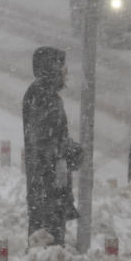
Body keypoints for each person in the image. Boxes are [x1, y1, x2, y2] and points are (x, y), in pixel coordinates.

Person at [22, 46, 83, 247]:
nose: (66, 71)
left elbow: (49, 138)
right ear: (52, 68)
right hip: (47, 186)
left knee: (46, 238)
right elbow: (43, 142)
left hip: (48, 185)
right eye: (62, 66)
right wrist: (69, 151)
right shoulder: (44, 98)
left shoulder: (43, 95)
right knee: (48, 241)